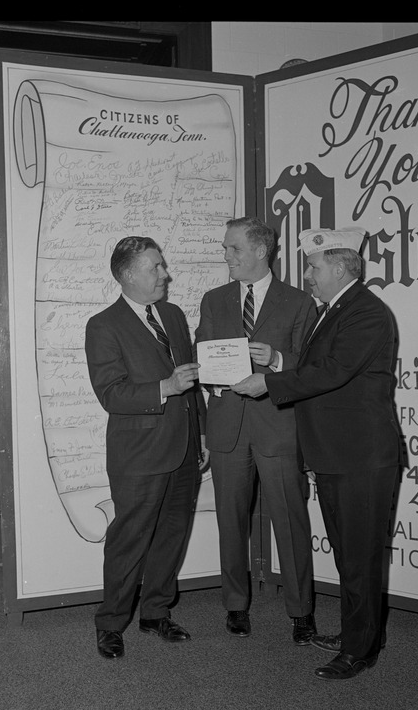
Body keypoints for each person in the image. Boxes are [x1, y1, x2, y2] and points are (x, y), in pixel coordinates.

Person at [232, 227, 401, 680]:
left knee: (359, 556)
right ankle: (360, 634)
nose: (307, 275)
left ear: (342, 267)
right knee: (350, 554)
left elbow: (333, 371)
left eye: (314, 266)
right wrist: (278, 364)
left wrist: (267, 382)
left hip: (361, 457)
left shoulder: (365, 313)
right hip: (337, 454)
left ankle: (359, 651)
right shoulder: (337, 310)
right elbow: (314, 368)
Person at [195, 216, 318, 644]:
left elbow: (313, 367)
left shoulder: (299, 302)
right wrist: (208, 377)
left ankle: (302, 612)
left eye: (233, 249)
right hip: (227, 424)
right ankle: (235, 605)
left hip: (278, 426)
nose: (225, 256)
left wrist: (279, 360)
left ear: (261, 251)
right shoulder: (214, 300)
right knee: (230, 521)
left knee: (291, 521)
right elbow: (204, 355)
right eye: (226, 248)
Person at [85, 235, 209, 659]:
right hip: (138, 454)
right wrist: (164, 387)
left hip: (185, 447)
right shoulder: (103, 325)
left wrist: (203, 432)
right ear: (128, 275)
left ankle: (156, 612)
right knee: (129, 538)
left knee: (172, 534)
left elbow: (190, 381)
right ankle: (111, 622)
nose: (164, 273)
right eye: (155, 267)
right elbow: (111, 394)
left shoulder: (173, 316)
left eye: (162, 265)